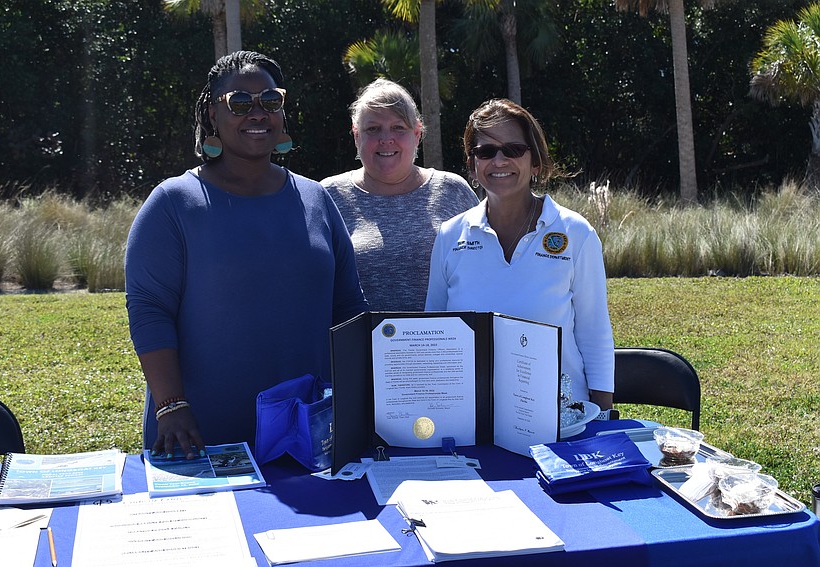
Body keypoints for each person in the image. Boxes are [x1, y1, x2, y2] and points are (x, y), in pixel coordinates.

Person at [125, 51, 368, 459]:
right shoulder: (172, 203)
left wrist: (362, 399)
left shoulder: (317, 199)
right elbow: (150, 310)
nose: (257, 113)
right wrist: (171, 404)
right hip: (200, 434)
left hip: (308, 432)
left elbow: (349, 308)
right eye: (239, 102)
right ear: (212, 116)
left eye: (270, 101)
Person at [425, 98, 614, 409]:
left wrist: (605, 418)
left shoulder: (575, 233)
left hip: (561, 419)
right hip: (474, 415)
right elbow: (434, 334)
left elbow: (595, 334)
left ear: (535, 162)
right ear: (473, 166)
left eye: (513, 149)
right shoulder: (450, 236)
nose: (499, 161)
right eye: (486, 151)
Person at [321, 78, 479, 311]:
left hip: (443, 344)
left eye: (398, 128)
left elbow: (483, 270)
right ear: (356, 136)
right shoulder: (328, 196)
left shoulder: (453, 191)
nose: (386, 139)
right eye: (373, 129)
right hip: (355, 345)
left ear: (417, 134)